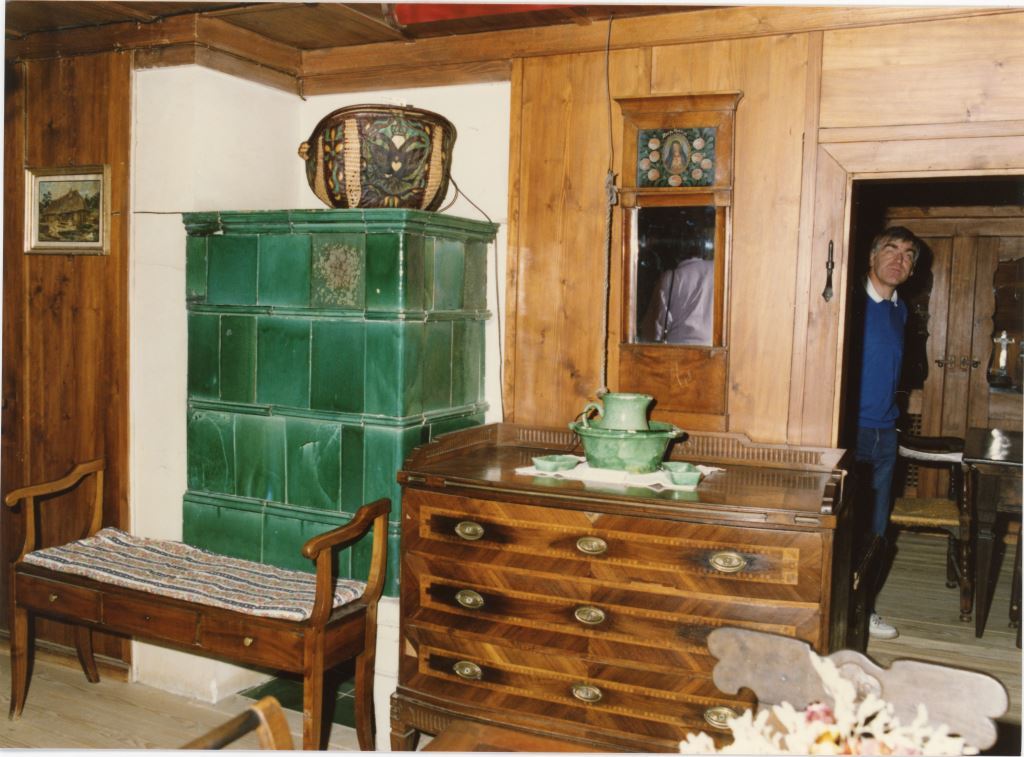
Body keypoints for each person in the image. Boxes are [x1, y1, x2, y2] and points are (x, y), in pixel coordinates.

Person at [855, 226, 920, 640]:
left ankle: (865, 609)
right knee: (847, 529)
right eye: (891, 250)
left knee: (877, 531)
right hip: (850, 432)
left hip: (886, 434)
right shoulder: (850, 305)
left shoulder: (901, 310)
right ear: (872, 257)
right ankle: (840, 612)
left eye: (909, 254)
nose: (900, 259)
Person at [639, 255, 714, 345]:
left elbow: (652, 332)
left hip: (677, 349)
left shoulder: (671, 278)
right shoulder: (721, 270)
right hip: (716, 349)